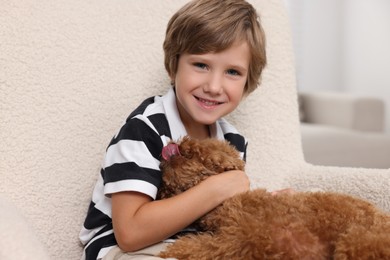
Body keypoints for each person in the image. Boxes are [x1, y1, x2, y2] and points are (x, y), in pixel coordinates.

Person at [80, 0, 267, 259]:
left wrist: (267, 207)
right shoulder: (144, 129)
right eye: (201, 65)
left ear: (248, 82)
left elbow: (221, 215)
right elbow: (130, 233)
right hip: (120, 250)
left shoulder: (233, 140)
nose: (214, 86)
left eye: (232, 72)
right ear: (174, 64)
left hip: (189, 247)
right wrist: (218, 188)